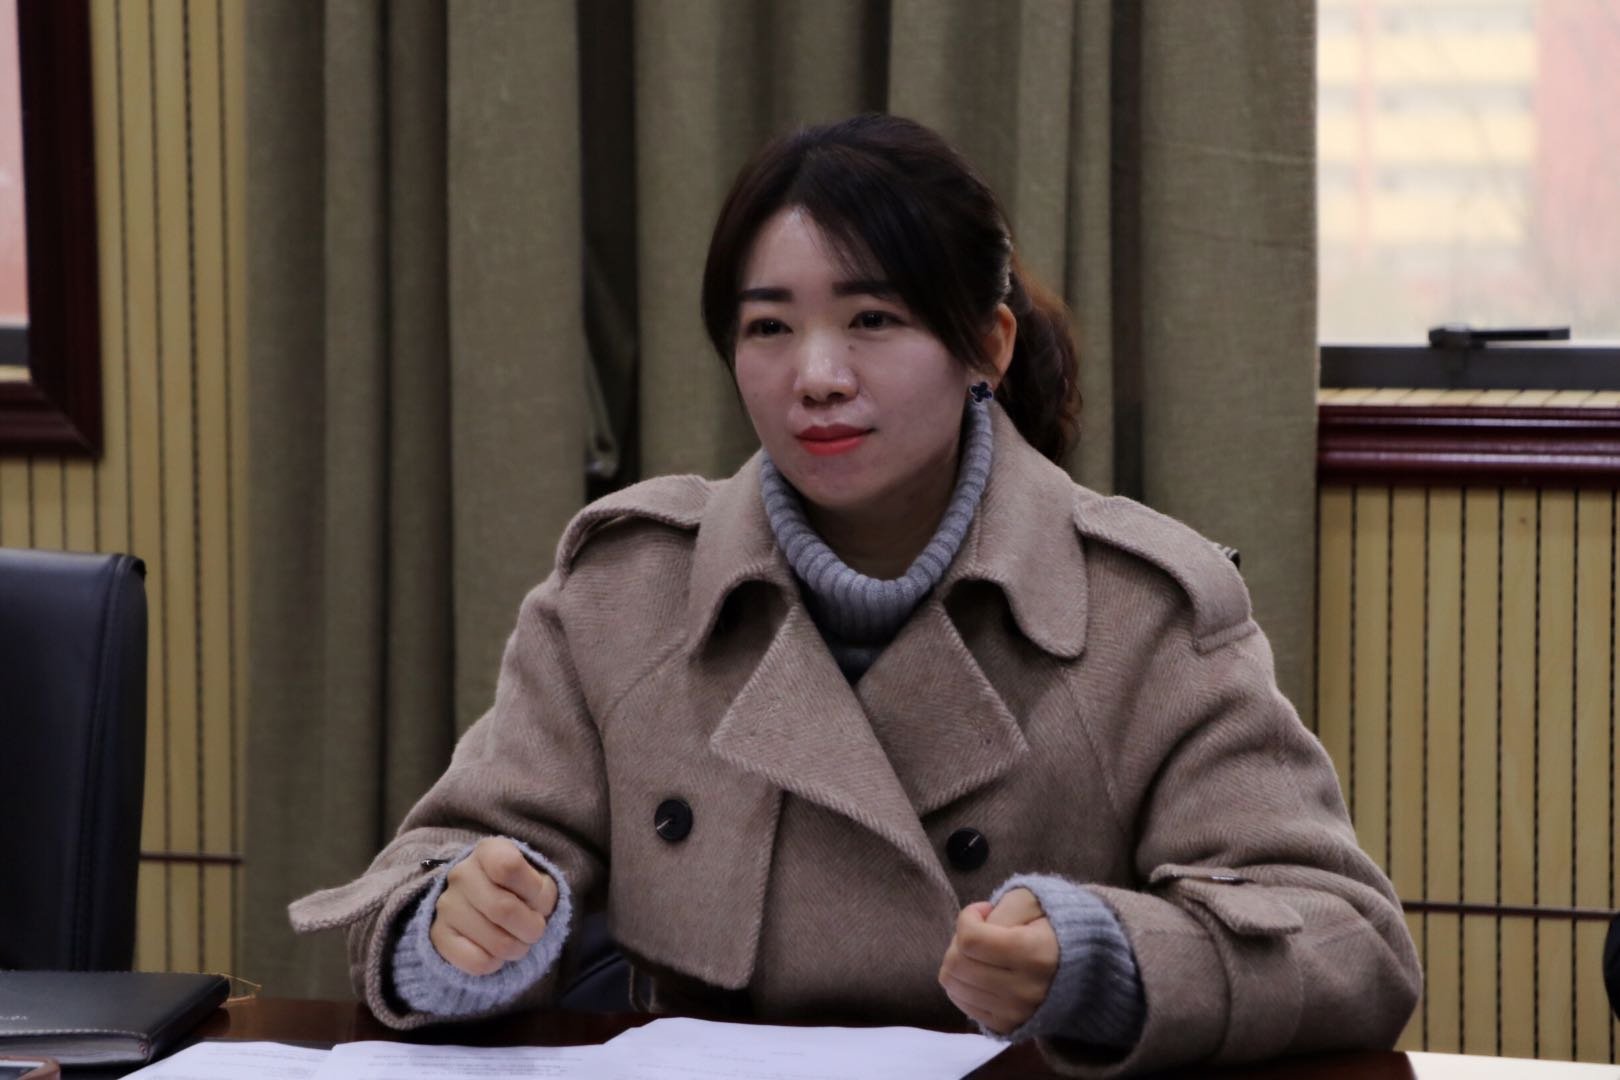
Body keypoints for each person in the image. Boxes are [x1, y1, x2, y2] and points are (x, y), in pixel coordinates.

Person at [290, 114, 1420, 1076]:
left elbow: (1353, 944)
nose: (817, 376)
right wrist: (460, 929)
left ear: (988, 345)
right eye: (769, 327)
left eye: (873, 320)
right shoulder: (627, 592)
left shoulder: (1141, 610)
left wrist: (1103, 960)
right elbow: (446, 869)